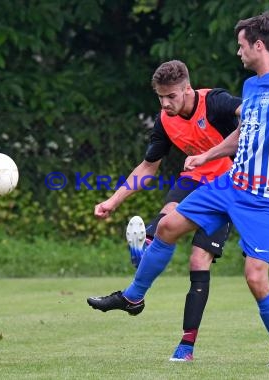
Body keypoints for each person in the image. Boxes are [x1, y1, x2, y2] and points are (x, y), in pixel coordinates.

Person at [88, 13, 269, 366]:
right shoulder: (252, 87)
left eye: (241, 45)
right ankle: (132, 297)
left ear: (258, 46)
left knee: (255, 278)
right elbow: (242, 134)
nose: (238, 52)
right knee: (168, 227)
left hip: (265, 199)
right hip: (230, 185)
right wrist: (207, 155)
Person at [90, 59, 242, 362]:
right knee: (164, 222)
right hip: (194, 181)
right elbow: (148, 166)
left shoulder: (216, 102)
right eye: (160, 97)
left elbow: (251, 114)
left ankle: (186, 348)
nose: (165, 103)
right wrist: (113, 200)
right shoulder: (165, 119)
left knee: (198, 260)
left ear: (187, 89)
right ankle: (140, 268)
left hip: (228, 186)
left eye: (171, 96)